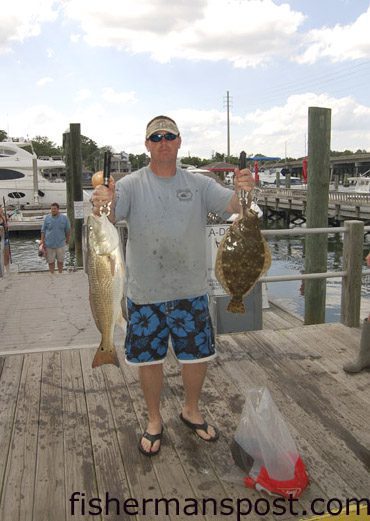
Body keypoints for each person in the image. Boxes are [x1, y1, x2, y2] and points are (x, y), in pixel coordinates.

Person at [91, 115, 254, 456]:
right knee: (148, 362)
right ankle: (154, 419)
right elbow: (107, 216)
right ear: (147, 145)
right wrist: (102, 198)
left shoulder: (198, 185)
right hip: (144, 294)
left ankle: (190, 410)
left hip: (191, 291)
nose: (163, 142)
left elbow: (236, 208)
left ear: (179, 142)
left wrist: (246, 191)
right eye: (156, 137)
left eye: (170, 136)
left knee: (197, 357)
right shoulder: (132, 184)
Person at [40, 202, 71, 273]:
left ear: (58, 209)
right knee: (50, 261)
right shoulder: (47, 218)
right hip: (49, 244)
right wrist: (42, 241)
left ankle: (60, 273)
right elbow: (43, 230)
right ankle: (52, 274)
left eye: (54, 209)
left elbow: (68, 230)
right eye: (51, 209)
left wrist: (67, 240)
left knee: (60, 261)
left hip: (61, 244)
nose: (53, 210)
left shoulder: (65, 218)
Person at [0, 206, 11, 273]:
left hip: (5, 239)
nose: (1, 209)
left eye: (1, 208)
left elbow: (6, 228)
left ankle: (8, 272)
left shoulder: (3, 217)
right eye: (0, 208)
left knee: (6, 256)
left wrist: (6, 223)